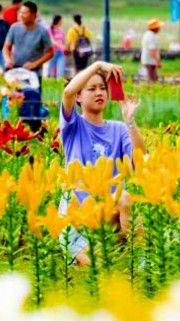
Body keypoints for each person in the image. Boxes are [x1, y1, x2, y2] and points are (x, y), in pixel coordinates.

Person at [59, 61, 146, 265]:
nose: (99, 92)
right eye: (91, 88)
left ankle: (139, 265)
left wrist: (130, 120)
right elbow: (68, 92)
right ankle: (92, 256)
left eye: (102, 88)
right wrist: (98, 65)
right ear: (79, 96)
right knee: (95, 268)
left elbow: (140, 160)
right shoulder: (73, 126)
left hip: (108, 217)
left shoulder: (119, 129)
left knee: (125, 197)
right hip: (77, 218)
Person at [4, 1, 55, 73]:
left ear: (33, 15)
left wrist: (35, 64)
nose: (21, 15)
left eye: (24, 13)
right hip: (15, 70)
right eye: (20, 12)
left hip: (34, 72)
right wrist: (8, 59)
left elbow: (50, 53)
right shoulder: (14, 27)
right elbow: (6, 47)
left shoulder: (42, 31)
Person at [140, 19, 163, 84]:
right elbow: (152, 51)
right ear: (155, 28)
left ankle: (151, 90)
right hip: (150, 61)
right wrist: (158, 61)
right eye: (158, 27)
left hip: (148, 60)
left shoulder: (147, 34)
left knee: (153, 78)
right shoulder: (152, 37)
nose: (159, 28)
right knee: (151, 79)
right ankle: (151, 91)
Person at [48, 14, 67, 79]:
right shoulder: (50, 29)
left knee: (60, 70)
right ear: (58, 20)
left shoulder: (61, 30)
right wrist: (61, 46)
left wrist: (65, 47)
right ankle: (51, 85)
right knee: (51, 70)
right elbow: (52, 41)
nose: (62, 22)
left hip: (61, 52)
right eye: (61, 20)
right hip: (52, 52)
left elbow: (64, 41)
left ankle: (60, 86)